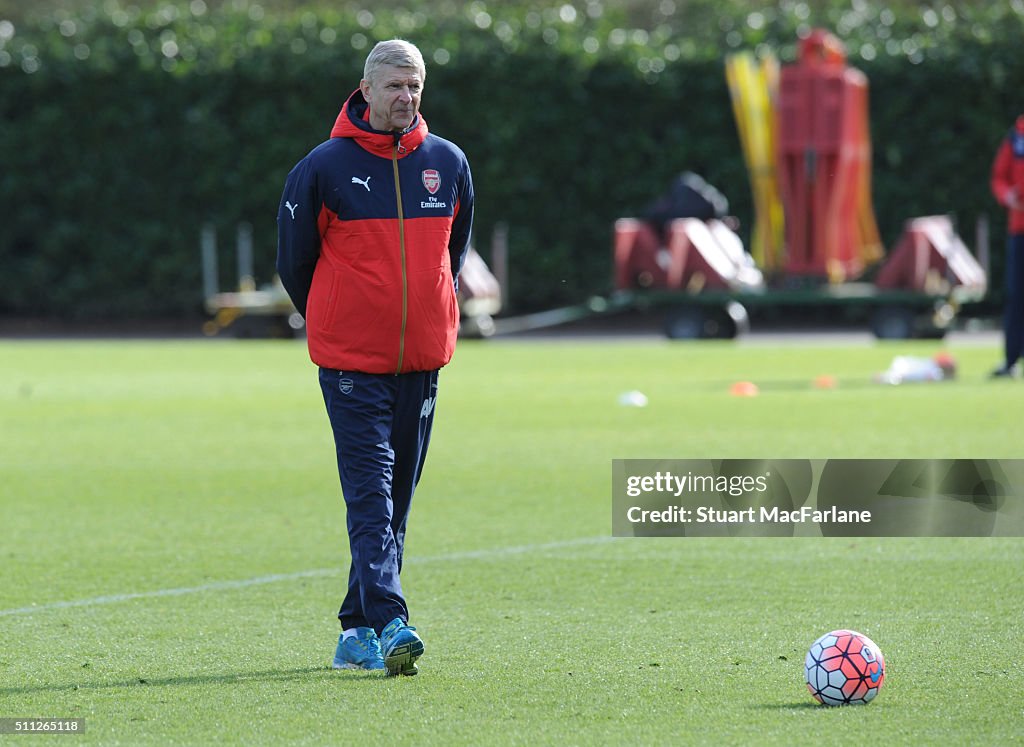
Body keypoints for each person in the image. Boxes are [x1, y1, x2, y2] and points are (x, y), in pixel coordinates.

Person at [276, 39, 474, 675]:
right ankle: (391, 620)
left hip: (421, 363)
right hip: (350, 367)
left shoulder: (448, 162)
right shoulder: (323, 168)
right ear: (364, 91)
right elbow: (293, 263)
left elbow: (454, 254)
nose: (405, 97)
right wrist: (341, 318)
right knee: (371, 497)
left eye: (414, 86)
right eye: (393, 86)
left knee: (397, 501)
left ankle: (354, 630)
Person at [989, 114, 1024, 378]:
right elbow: (999, 177)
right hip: (1019, 229)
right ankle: (1011, 359)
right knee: (1016, 296)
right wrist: (1008, 196)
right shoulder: (1016, 137)